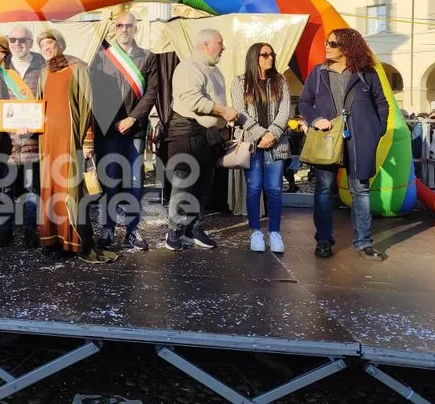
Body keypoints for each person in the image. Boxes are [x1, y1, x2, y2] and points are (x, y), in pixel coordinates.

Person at [298, 28, 389, 261]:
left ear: (348, 47)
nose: (327, 46)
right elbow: (305, 103)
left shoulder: (366, 73)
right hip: (327, 138)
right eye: (327, 43)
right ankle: (324, 241)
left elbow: (382, 103)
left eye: (333, 43)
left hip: (360, 139)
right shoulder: (318, 73)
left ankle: (364, 242)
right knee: (324, 190)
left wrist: (376, 130)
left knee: (361, 190)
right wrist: (316, 119)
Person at [36, 29, 114, 263]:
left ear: (60, 44)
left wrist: (87, 142)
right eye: (43, 46)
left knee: (69, 190)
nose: (47, 48)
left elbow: (87, 106)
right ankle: (52, 239)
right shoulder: (43, 72)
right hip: (47, 140)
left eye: (50, 43)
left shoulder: (78, 68)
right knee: (49, 189)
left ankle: (73, 241)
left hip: (70, 140)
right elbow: (38, 105)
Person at [91, 12, 159, 251]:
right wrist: (112, 122)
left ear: (135, 28)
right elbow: (96, 94)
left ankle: (132, 230)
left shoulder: (148, 57)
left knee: (134, 181)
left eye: (129, 25)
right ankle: (108, 229)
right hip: (108, 130)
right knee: (109, 180)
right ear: (114, 28)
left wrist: (132, 117)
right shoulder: (101, 58)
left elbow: (152, 92)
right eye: (119, 25)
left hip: (135, 129)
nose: (124, 29)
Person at [165, 29, 237, 252]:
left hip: (210, 137)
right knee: (184, 184)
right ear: (206, 44)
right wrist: (223, 112)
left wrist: (223, 126)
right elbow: (192, 99)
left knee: (204, 185)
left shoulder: (215, 71)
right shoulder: (188, 67)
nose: (223, 48)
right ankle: (174, 231)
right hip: (187, 133)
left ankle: (193, 227)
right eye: (219, 43)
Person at [231, 43, 291, 253]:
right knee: (254, 188)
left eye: (272, 54)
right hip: (252, 145)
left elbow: (285, 110)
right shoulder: (240, 82)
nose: (270, 58)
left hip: (276, 144)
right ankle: (256, 232)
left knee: (274, 189)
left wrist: (272, 134)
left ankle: (274, 233)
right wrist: (260, 134)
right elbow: (239, 112)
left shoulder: (280, 81)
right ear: (254, 57)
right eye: (265, 55)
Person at [0, 26, 46, 248]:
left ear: (30, 42)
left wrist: (36, 123)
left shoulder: (43, 66)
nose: (17, 43)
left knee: (32, 190)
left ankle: (30, 232)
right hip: (8, 142)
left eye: (22, 40)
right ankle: (5, 232)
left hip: (34, 140)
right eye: (12, 40)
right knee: (6, 190)